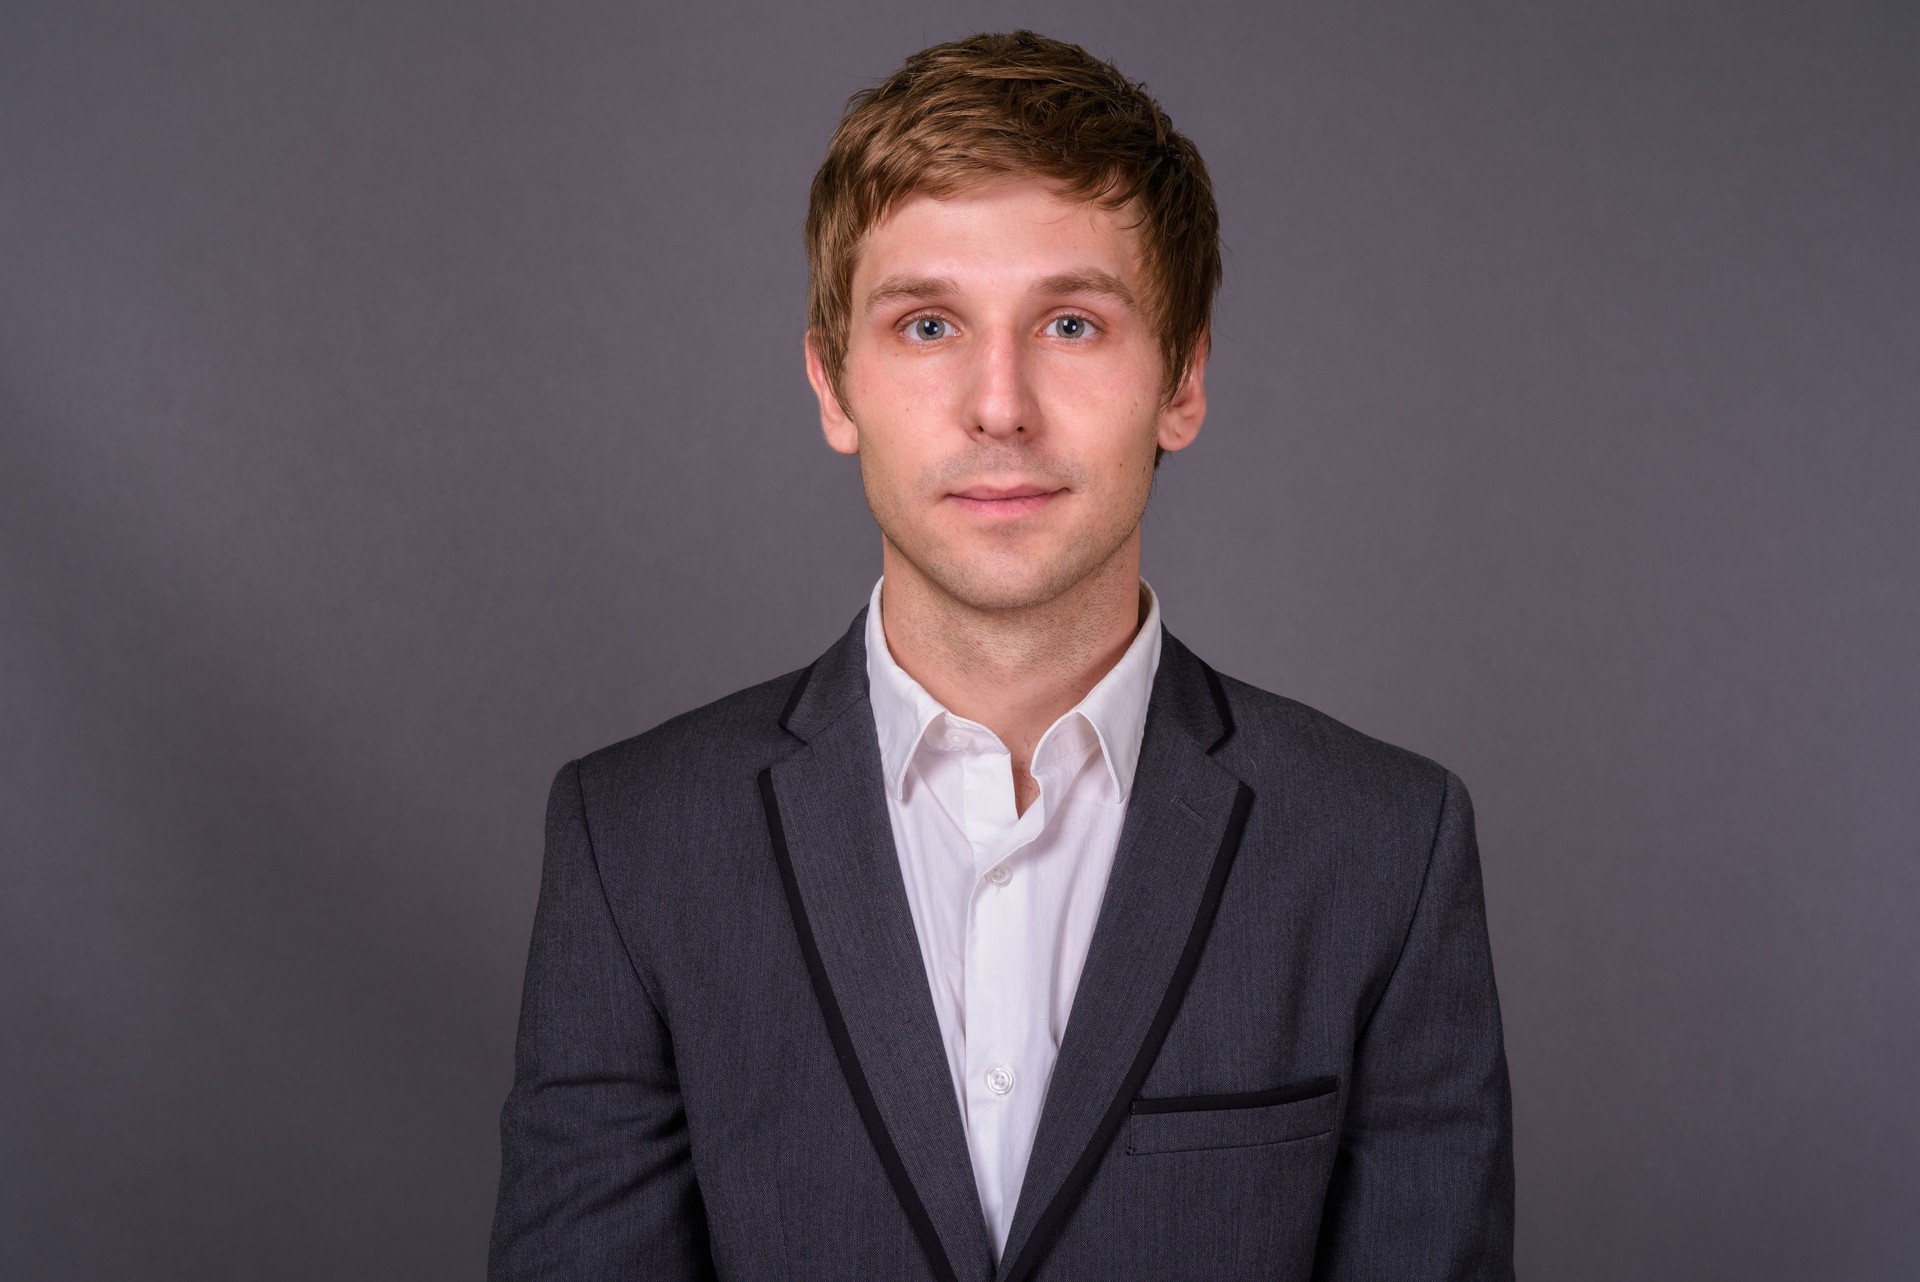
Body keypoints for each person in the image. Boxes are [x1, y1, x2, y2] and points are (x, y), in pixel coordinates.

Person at [488, 30, 1513, 1282]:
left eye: (1072, 322)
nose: (1000, 403)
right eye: (927, 324)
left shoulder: (1384, 850)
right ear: (833, 385)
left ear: (1181, 381)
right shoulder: (635, 841)